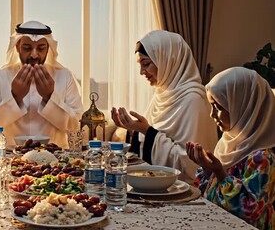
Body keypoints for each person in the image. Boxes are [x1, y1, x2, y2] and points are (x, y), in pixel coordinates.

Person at [111, 30, 218, 183]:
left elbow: (191, 165)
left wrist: (146, 131)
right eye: (140, 65)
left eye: (146, 64)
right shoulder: (161, 95)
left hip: (186, 190)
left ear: (168, 60)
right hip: (157, 184)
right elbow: (151, 137)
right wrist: (132, 129)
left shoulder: (194, 100)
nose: (142, 72)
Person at [186, 67, 275, 229]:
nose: (212, 115)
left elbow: (249, 209)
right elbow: (210, 195)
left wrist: (220, 173)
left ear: (244, 107)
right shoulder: (228, 144)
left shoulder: (261, 157)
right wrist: (207, 169)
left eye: (218, 107)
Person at [0, 20, 83, 148]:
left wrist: (49, 97)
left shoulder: (64, 77)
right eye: (27, 48)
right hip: (10, 161)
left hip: (55, 163)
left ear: (48, 48)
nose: (34, 55)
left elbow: (76, 127)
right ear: (17, 47)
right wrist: (15, 97)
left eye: (41, 48)